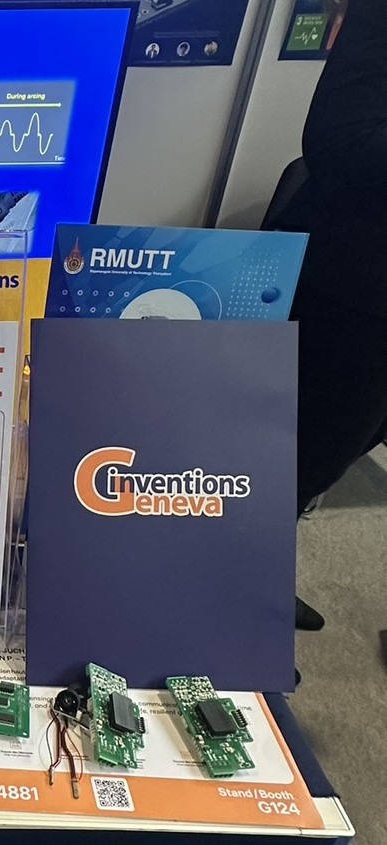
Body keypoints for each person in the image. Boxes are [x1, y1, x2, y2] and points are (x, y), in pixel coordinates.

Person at [276, 0, 387, 629]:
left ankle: (254, 579)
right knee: (301, 452)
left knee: (345, 446)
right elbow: (341, 139)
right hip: (357, 286)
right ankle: (236, 598)